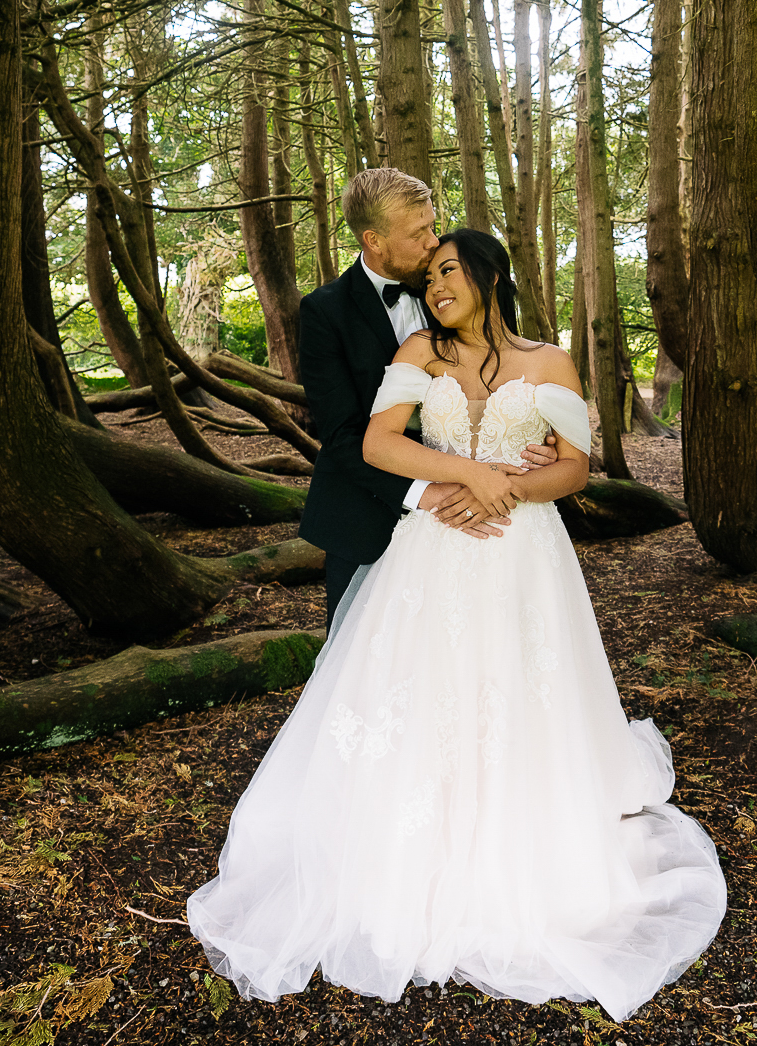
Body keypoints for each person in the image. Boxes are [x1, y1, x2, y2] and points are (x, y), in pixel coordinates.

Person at [188, 229, 726, 1024]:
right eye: (428, 273)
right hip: (431, 549)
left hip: (520, 553)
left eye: (447, 270)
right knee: (419, 691)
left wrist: (510, 490)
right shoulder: (418, 350)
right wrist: (467, 473)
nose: (434, 283)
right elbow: (377, 442)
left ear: (491, 276)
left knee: (513, 688)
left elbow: (575, 465)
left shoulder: (550, 361)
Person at [294, 168, 550, 622]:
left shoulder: (454, 289)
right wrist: (428, 492)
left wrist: (534, 444)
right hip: (365, 516)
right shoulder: (323, 312)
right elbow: (341, 435)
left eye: (433, 224)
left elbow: (498, 378)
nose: (434, 241)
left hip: (474, 516)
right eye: (420, 233)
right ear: (374, 240)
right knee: (362, 666)